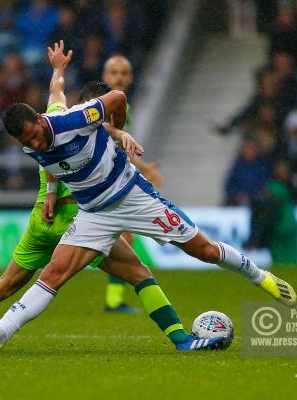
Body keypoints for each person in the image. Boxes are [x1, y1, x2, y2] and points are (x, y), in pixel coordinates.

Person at [0, 44, 297, 354]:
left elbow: (117, 97)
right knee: (53, 274)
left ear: (40, 123)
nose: (38, 143)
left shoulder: (72, 120)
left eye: (38, 135)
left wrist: (117, 130)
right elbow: (55, 92)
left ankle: (260, 277)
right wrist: (58, 70)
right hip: (92, 213)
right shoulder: (34, 138)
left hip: (133, 197)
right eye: (30, 141)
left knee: (204, 250)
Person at [0, 42, 207, 351]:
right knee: (139, 274)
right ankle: (181, 339)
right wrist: (122, 135)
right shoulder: (86, 129)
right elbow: (106, 140)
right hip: (78, 220)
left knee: (6, 283)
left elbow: (56, 93)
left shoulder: (48, 123)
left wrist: (58, 69)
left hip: (40, 220)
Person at [100, 54, 163, 312]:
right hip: (95, 182)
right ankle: (114, 300)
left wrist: (145, 168)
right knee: (120, 237)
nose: (119, 77)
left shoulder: (123, 106)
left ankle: (114, 300)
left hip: (106, 180)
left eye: (124, 72)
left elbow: (117, 149)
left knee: (124, 236)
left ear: (131, 77)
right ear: (104, 77)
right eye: (114, 72)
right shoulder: (104, 106)